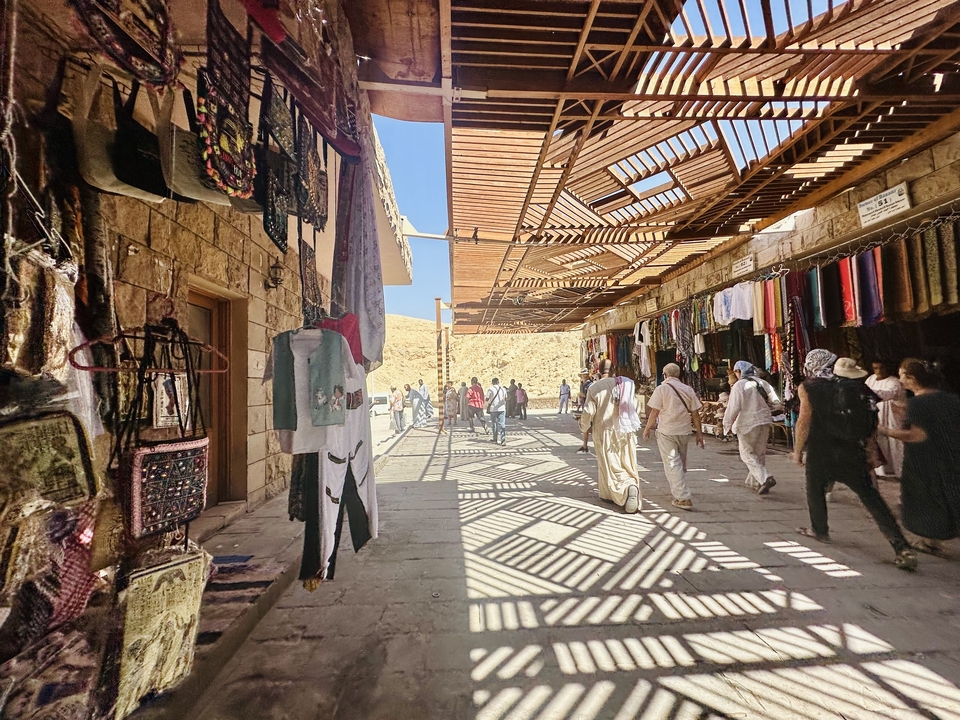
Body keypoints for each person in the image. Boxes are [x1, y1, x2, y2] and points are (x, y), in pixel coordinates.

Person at [792, 350, 917, 571]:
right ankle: (901, 546)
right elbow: (871, 417)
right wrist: (869, 448)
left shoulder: (808, 387)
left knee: (815, 489)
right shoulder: (857, 386)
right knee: (871, 499)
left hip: (822, 451)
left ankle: (819, 530)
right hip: (853, 451)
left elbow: (804, 419)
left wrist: (797, 450)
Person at [879, 358, 960, 557]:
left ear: (912, 378)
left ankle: (931, 541)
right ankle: (931, 541)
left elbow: (917, 435)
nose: (900, 379)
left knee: (927, 500)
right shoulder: (951, 399)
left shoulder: (918, 403)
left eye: (902, 375)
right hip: (952, 456)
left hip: (925, 460)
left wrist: (885, 431)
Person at [580, 359, 643, 514]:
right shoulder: (626, 384)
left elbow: (588, 411)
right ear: (614, 370)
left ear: (598, 371)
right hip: (625, 430)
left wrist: (584, 426)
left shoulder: (595, 387)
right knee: (626, 461)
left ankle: (626, 488)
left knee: (610, 464)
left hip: (605, 431)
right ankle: (610, 492)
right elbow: (636, 406)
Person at [643, 363, 703, 510]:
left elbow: (654, 412)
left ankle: (682, 497)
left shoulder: (661, 389)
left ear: (665, 375)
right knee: (680, 463)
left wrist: (647, 428)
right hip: (684, 430)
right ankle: (680, 487)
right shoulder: (688, 389)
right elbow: (695, 413)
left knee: (672, 463)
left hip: (667, 431)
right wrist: (699, 433)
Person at [723, 360, 779, 495]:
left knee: (747, 454)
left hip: (747, 423)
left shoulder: (739, 385)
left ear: (739, 371)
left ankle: (765, 478)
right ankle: (755, 482)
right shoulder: (763, 383)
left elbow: (733, 408)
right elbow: (777, 403)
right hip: (764, 421)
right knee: (759, 453)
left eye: (736, 372)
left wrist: (727, 425)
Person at [866, 361, 905, 477]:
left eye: (881, 368)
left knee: (894, 443)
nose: (878, 371)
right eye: (875, 368)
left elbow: (888, 394)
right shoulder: (870, 379)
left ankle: (899, 471)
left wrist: (866, 391)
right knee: (879, 441)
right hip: (877, 415)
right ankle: (882, 472)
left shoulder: (894, 382)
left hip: (891, 416)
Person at [486, 378, 508, 446]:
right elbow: (506, 398)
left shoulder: (490, 389)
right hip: (502, 409)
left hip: (493, 409)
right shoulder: (503, 389)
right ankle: (503, 440)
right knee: (502, 424)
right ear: (498, 382)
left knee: (494, 424)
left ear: (492, 382)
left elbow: (487, 398)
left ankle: (495, 438)